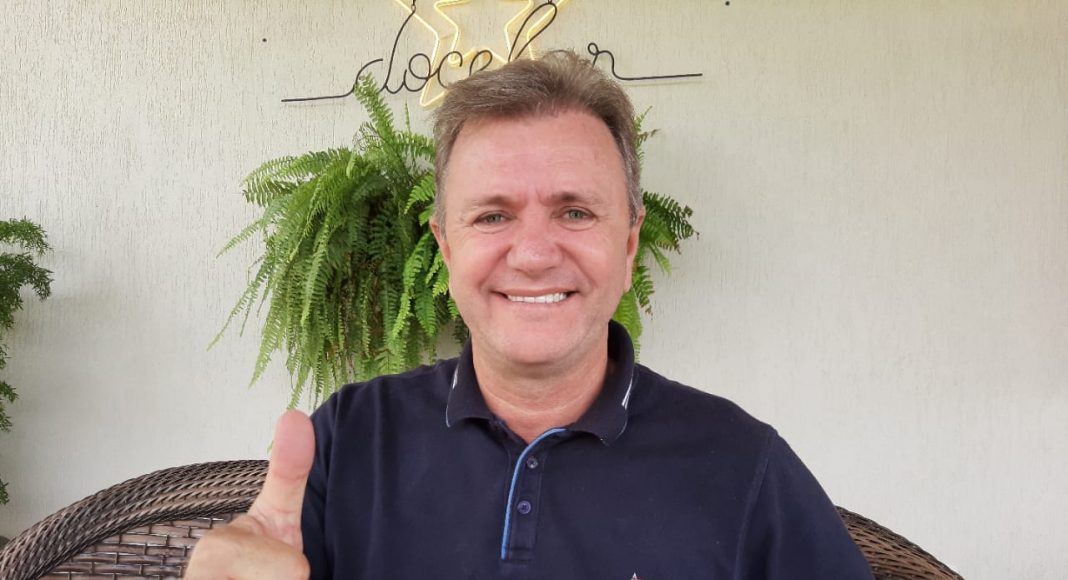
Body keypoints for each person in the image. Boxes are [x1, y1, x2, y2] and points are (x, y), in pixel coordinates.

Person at [188, 51, 873, 579]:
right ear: (446, 248)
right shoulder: (350, 439)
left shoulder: (744, 465)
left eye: (575, 212)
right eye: (492, 216)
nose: (536, 254)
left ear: (628, 245)